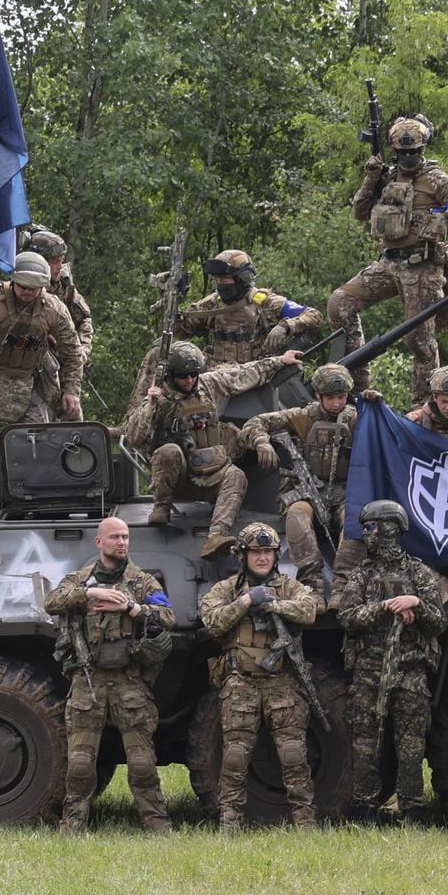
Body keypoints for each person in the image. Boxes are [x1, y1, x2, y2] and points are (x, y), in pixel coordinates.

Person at [329, 114, 448, 399]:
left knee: (418, 340)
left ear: (422, 149)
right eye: (402, 152)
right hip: (388, 264)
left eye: (413, 152)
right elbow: (360, 212)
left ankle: (424, 405)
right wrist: (371, 178)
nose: (408, 157)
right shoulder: (386, 177)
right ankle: (355, 389)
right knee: (339, 302)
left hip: (423, 267)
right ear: (395, 151)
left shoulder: (437, 179)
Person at [44, 516, 177, 834]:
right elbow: (52, 602)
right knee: (80, 763)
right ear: (99, 542)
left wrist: (132, 608)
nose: (121, 542)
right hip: (88, 681)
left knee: (142, 762)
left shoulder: (141, 582)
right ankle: (72, 825)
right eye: (115, 537)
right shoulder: (80, 579)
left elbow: (168, 616)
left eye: (125, 537)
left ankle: (157, 824)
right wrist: (92, 594)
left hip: (129, 682)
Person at [122, 343, 301, 555]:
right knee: (168, 451)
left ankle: (216, 536)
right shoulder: (157, 400)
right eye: (183, 376)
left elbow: (243, 374)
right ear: (170, 375)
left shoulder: (207, 385)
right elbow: (134, 438)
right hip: (178, 479)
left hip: (210, 475)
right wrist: (151, 403)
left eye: (193, 374)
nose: (189, 380)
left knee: (235, 476)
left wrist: (280, 361)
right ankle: (162, 507)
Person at [199, 524, 322, 833]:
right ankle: (229, 826)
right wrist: (246, 602)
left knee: (294, 756)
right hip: (240, 683)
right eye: (256, 552)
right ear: (243, 555)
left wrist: (274, 604)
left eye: (268, 552)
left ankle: (306, 825)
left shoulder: (289, 587)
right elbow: (211, 621)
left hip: (282, 683)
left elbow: (309, 609)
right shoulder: (227, 589)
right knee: (234, 758)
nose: (263, 557)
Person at [334, 500, 445, 823]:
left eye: (371, 527)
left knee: (411, 745)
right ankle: (364, 808)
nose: (366, 534)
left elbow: (438, 623)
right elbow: (347, 618)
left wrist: (416, 604)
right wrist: (384, 607)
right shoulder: (362, 576)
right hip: (369, 671)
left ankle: (413, 809)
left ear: (390, 529)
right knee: (365, 744)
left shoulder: (419, 574)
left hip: (410, 672)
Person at [0, 250, 84, 499]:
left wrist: (71, 391)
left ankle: (31, 491)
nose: (28, 292)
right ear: (13, 280)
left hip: (26, 379)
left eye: (34, 288)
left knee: (38, 437)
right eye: (23, 286)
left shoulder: (53, 309)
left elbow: (73, 352)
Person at [134, 250, 326, 400]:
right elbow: (181, 330)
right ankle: (135, 418)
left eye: (225, 279)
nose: (221, 284)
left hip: (250, 370)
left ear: (242, 278)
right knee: (158, 353)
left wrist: (285, 326)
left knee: (211, 378)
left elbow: (314, 315)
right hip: (213, 367)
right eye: (218, 280)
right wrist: (171, 301)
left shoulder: (265, 302)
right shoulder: (214, 302)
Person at [236, 362, 362, 583]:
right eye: (330, 397)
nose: (336, 403)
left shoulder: (357, 419)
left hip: (346, 493)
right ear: (318, 395)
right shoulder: (303, 417)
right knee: (296, 514)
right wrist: (261, 442)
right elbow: (255, 423)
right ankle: (312, 579)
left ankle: (344, 582)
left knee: (355, 519)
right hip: (307, 492)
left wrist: (376, 404)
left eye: (341, 397)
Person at [22, 229, 94, 420]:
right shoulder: (21, 287)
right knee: (37, 424)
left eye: (61, 261)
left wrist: (82, 349)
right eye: (54, 261)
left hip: (63, 367)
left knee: (73, 420)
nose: (59, 267)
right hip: (29, 371)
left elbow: (84, 319)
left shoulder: (64, 287)